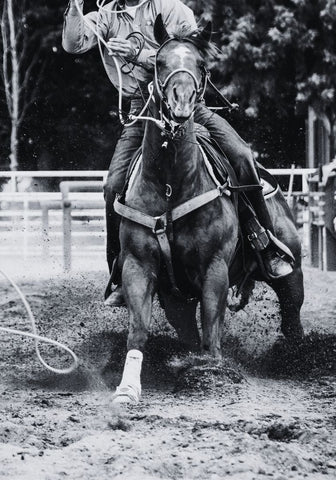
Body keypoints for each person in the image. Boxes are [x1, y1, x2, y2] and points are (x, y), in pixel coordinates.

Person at [62, 0, 293, 306]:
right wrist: (74, 5)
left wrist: (138, 54)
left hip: (188, 107)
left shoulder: (174, 9)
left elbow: (192, 54)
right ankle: (119, 271)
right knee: (112, 186)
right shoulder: (106, 16)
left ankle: (263, 240)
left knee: (241, 156)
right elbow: (74, 44)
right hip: (142, 111)